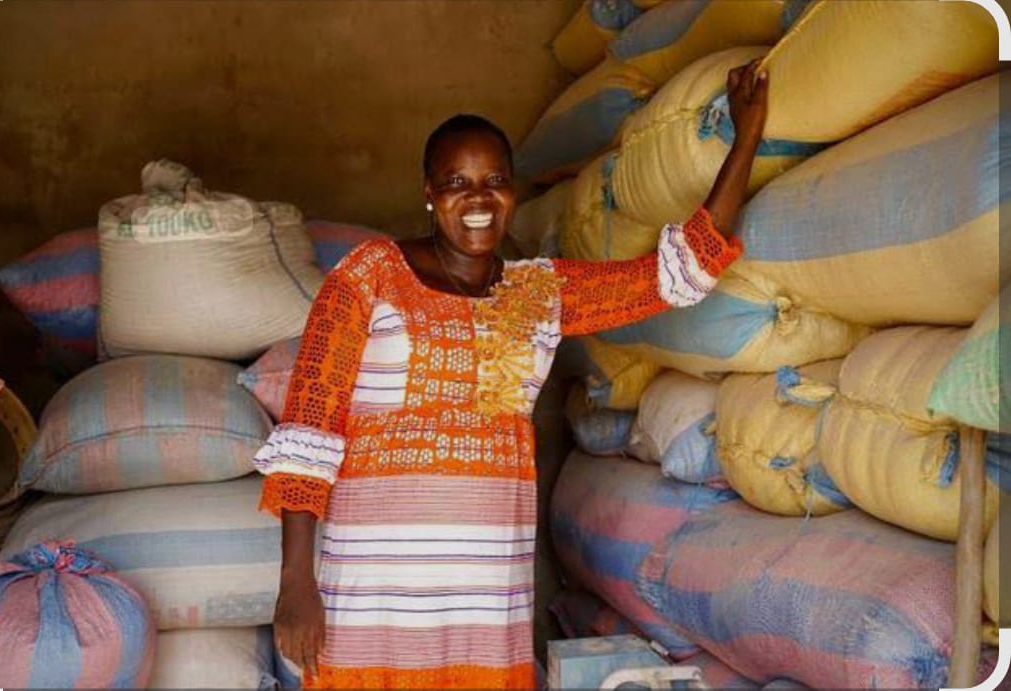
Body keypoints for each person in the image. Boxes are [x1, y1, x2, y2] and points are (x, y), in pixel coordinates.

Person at [254, 60, 769, 689]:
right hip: (374, 592)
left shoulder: (540, 291)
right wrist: (295, 585)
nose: (477, 199)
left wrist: (745, 138)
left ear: (513, 193)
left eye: (494, 180)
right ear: (429, 192)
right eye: (456, 182)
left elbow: (678, 273)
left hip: (486, 591)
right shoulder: (369, 276)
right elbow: (309, 432)